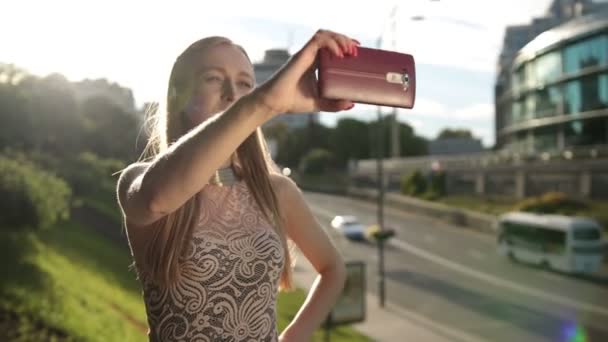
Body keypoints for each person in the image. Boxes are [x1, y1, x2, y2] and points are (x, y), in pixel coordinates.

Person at [116, 29, 359, 341]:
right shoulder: (139, 181)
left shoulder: (277, 192)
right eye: (213, 78)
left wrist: (292, 338)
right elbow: (156, 201)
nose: (232, 92)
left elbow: (333, 269)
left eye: (245, 83)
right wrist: (264, 103)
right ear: (178, 95)